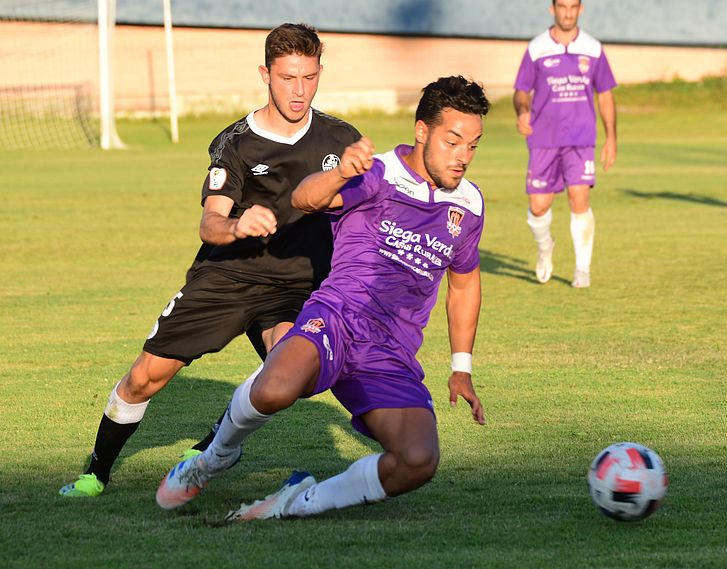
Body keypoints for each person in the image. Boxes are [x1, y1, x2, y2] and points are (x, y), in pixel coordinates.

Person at [155, 76, 489, 521]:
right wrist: (341, 171)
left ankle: (297, 503)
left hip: (390, 350)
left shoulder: (468, 205)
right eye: (453, 142)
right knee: (274, 389)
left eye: (473, 145)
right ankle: (211, 459)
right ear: (422, 131)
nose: (463, 157)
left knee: (418, 460)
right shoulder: (379, 173)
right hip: (336, 317)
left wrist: (461, 368)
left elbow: (464, 283)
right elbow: (303, 197)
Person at [59, 23, 361, 497]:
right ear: (265, 74)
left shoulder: (340, 138)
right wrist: (239, 226)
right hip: (228, 275)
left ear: (320, 71)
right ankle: (96, 471)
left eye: (309, 77)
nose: (299, 90)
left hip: (297, 287)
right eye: (287, 78)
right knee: (144, 378)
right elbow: (210, 224)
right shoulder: (236, 142)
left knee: (295, 374)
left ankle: (215, 442)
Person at [513, 0, 617, 288]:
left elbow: (605, 94)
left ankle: (582, 269)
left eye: (573, 6)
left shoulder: (593, 48)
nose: (568, 12)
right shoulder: (536, 48)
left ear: (581, 9)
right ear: (552, 9)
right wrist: (522, 111)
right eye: (562, 6)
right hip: (544, 139)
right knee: (538, 205)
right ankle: (545, 246)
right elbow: (522, 91)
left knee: (579, 198)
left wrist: (612, 137)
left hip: (581, 139)